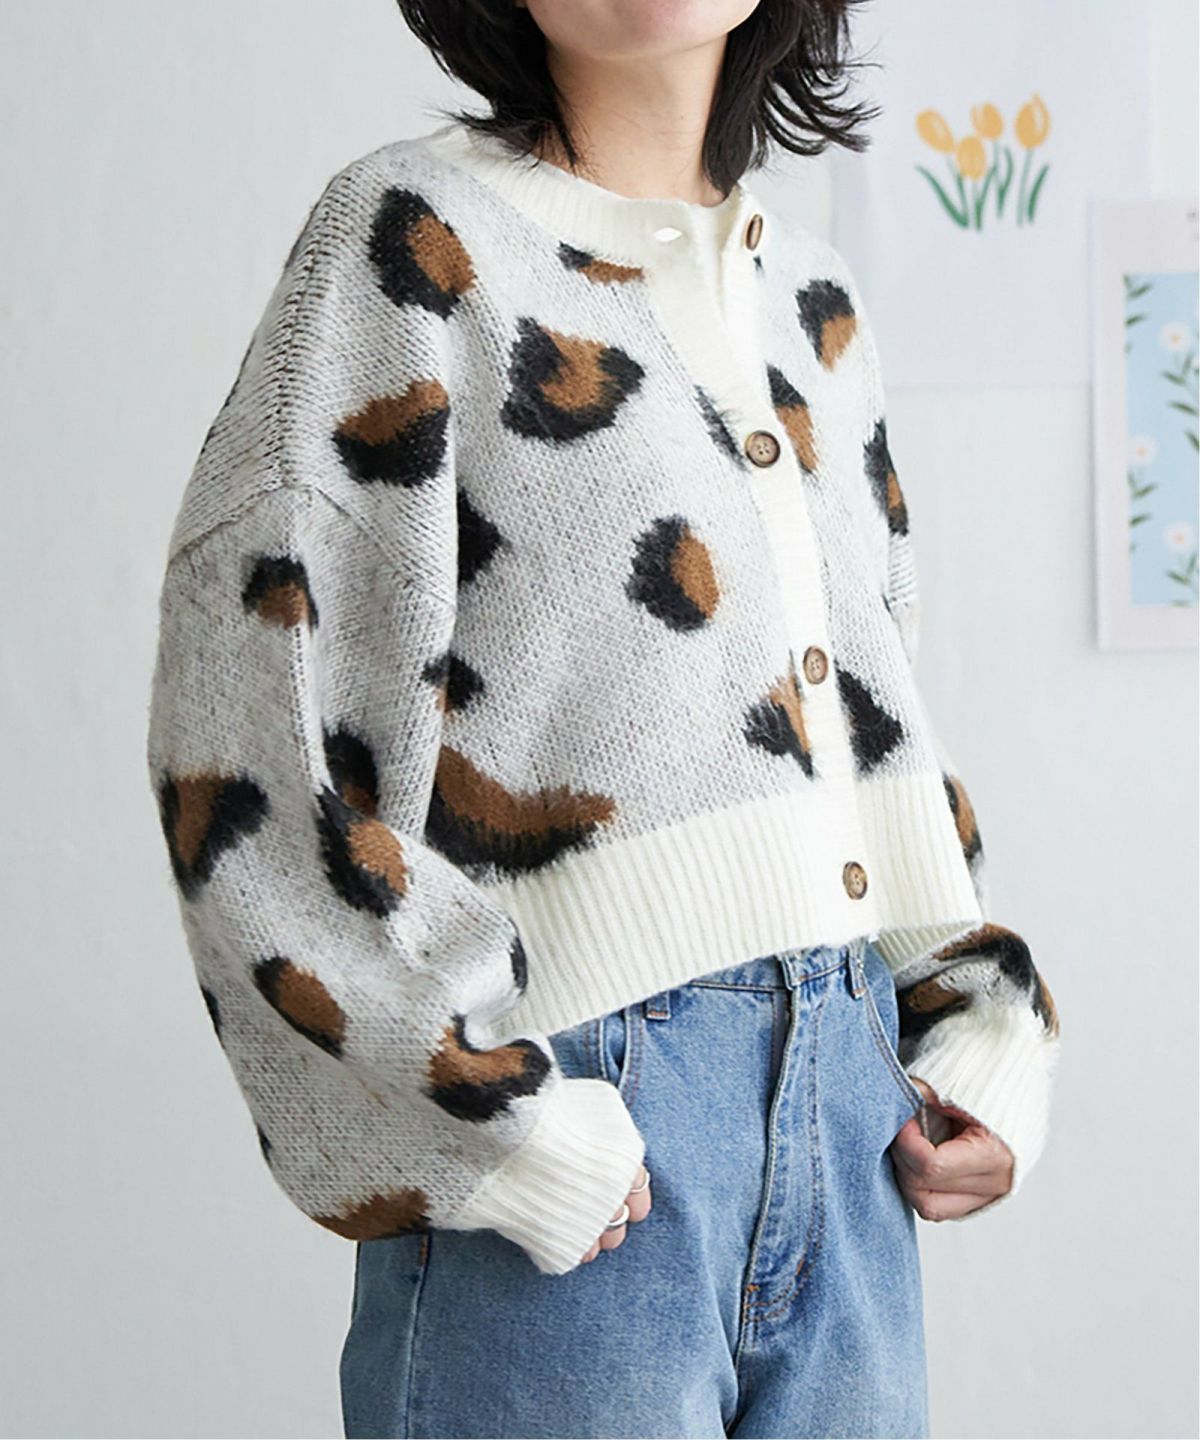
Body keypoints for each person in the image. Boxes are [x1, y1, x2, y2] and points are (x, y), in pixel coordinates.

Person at [145, 1, 1061, 1435]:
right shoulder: (410, 238)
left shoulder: (810, 296)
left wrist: (977, 1025)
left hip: (855, 1123)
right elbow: (253, 718)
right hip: (576, 1134)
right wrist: (485, 1120)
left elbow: (867, 717)